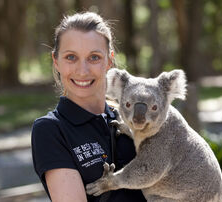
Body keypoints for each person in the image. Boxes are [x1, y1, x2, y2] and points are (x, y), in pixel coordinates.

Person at [31, 12, 146, 202]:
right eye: (71, 57)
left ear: (109, 60)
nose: (82, 71)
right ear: (56, 61)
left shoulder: (131, 119)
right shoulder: (51, 130)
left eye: (94, 57)